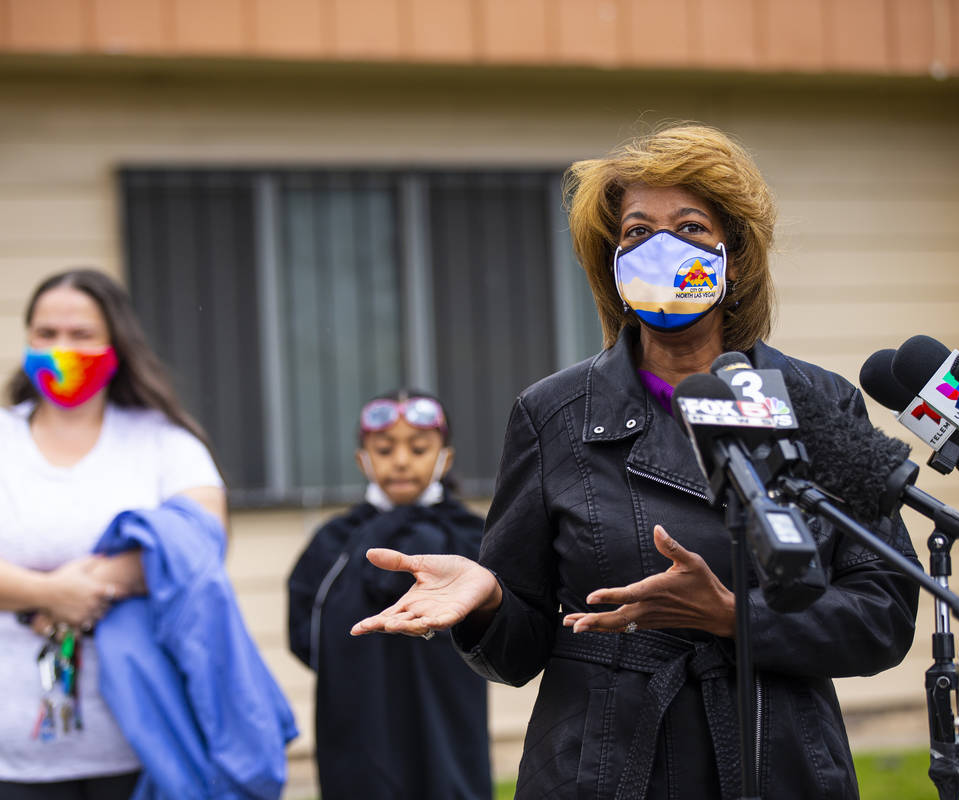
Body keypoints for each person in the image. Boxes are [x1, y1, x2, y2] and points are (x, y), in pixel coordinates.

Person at [351, 123, 921, 799]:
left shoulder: (815, 401)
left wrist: (733, 616)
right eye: (638, 234)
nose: (662, 249)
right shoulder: (553, 412)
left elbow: (882, 613)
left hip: (778, 760)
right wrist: (490, 598)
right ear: (614, 266)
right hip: (604, 766)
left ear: (733, 257)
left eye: (690, 227)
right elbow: (520, 648)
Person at [0, 269, 226, 800]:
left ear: (117, 344)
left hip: (138, 738)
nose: (62, 348)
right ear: (27, 341)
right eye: (46, 334)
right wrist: (48, 594)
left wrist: (86, 587)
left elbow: (204, 538)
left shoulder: (163, 440)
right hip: (4, 748)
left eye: (81, 335)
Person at [288, 391, 493, 800]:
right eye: (384, 449)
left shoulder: (474, 537)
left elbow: (502, 625)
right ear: (363, 459)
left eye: (418, 448)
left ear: (444, 458)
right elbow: (305, 634)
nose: (400, 460)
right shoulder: (334, 542)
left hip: (447, 720)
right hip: (359, 720)